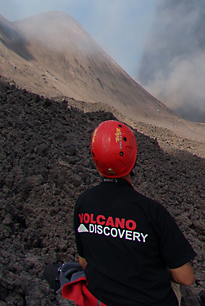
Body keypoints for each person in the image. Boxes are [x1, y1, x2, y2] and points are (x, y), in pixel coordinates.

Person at [72, 120, 196, 305]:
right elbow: (186, 277)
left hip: (102, 299)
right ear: (133, 158)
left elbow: (83, 263)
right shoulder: (152, 212)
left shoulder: (83, 202)